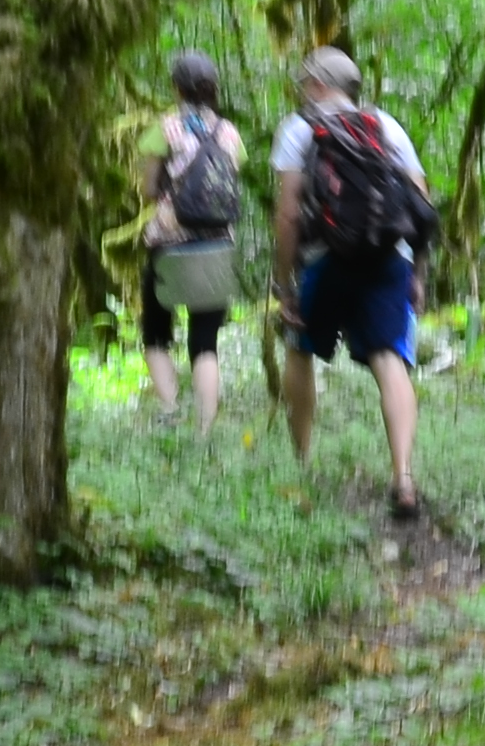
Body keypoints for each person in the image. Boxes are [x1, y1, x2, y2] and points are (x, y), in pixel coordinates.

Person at [271, 43, 431, 520]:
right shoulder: (386, 126)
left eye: (305, 83)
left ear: (319, 85)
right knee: (389, 356)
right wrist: (417, 273)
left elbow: (286, 214)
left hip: (326, 256)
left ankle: (301, 465)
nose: (302, 90)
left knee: (300, 348)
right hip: (389, 255)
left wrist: (285, 283)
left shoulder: (299, 128)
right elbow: (421, 202)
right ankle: (403, 477)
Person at [133, 50, 247, 436]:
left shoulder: (164, 129)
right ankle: (205, 429)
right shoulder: (230, 133)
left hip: (171, 245)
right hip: (217, 245)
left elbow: (148, 189)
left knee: (156, 333)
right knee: (205, 342)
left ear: (176, 88)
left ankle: (169, 411)